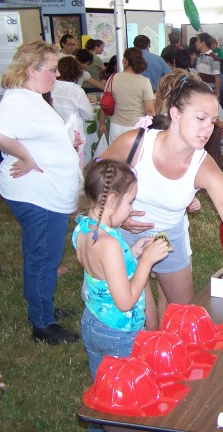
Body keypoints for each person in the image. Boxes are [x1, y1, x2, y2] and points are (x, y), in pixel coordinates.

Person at [101, 71, 223, 321]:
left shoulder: (204, 167)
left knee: (184, 315)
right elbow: (98, 174)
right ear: (175, 114)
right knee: (143, 320)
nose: (208, 128)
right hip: (124, 235)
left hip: (168, 237)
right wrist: (118, 216)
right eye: (200, 118)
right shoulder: (136, 143)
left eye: (212, 121)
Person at [0, 40, 80, 345]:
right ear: (32, 70)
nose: (56, 75)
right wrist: (27, 157)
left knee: (43, 256)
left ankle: (43, 307)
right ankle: (42, 325)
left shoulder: (31, 97)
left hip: (46, 192)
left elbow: (37, 135)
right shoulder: (19, 99)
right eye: (52, 70)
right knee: (43, 258)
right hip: (38, 195)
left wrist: (68, 142)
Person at [73, 159, 169, 380]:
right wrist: (145, 261)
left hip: (93, 322)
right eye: (130, 202)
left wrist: (132, 253)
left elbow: (101, 269)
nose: (131, 209)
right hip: (118, 331)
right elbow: (125, 302)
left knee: (103, 385)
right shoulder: (109, 244)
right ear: (112, 200)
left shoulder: (83, 229)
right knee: (125, 387)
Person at [98, 47, 155, 143]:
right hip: (136, 126)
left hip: (116, 126)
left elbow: (104, 103)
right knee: (134, 156)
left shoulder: (113, 78)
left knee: (115, 156)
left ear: (125, 61)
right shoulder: (144, 81)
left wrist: (102, 123)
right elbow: (149, 110)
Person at [52, 56, 95, 170]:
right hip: (74, 136)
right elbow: (89, 114)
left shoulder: (49, 86)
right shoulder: (75, 90)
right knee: (76, 170)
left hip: (54, 136)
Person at [194, 32, 221, 102]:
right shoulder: (198, 58)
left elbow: (217, 77)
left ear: (203, 43)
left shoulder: (214, 58)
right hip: (199, 92)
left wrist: (217, 94)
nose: (196, 43)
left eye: (197, 41)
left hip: (210, 92)